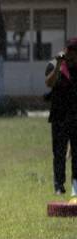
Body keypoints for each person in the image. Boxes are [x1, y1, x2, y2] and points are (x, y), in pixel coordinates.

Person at [45, 37, 77, 195]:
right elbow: (49, 83)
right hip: (59, 116)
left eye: (73, 52)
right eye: (68, 50)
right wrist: (58, 65)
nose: (70, 54)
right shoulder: (54, 64)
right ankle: (59, 185)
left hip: (75, 116)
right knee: (59, 152)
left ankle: (75, 185)